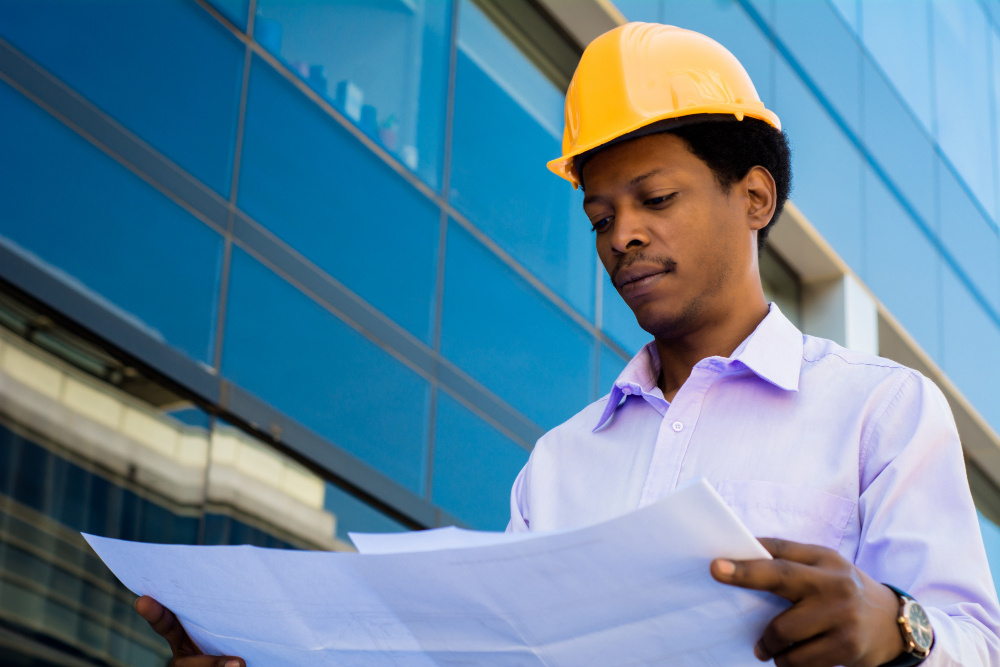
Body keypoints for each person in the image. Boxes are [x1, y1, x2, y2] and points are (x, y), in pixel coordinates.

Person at [137, 21, 1000, 667]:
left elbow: (976, 642)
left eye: (654, 199)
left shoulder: (878, 409)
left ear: (756, 199)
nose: (620, 235)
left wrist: (899, 630)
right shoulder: (557, 464)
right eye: (599, 215)